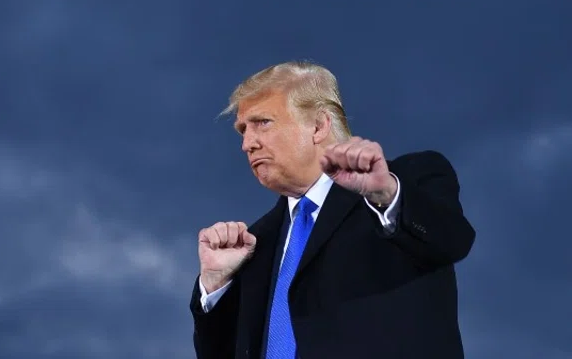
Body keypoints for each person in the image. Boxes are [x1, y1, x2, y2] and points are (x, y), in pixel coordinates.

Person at [190, 61, 476, 358]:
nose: (247, 144)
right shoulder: (253, 244)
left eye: (263, 122)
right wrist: (215, 284)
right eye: (242, 130)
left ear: (318, 125)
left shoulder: (406, 183)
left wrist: (387, 195)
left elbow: (453, 241)